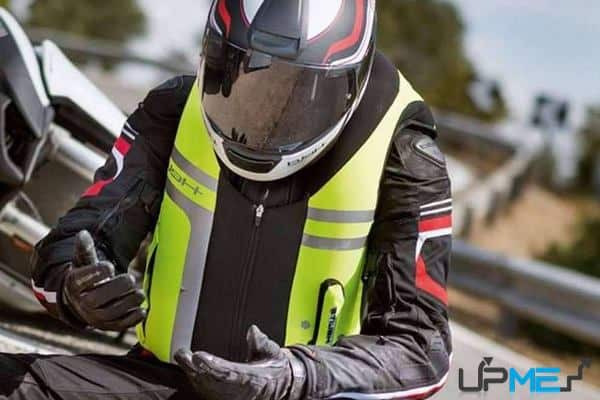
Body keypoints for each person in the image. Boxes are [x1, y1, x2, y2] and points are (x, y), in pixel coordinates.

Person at [0, 0, 453, 399]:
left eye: (298, 93)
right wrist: (75, 291)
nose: (265, 114)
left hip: (304, 395)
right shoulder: (171, 109)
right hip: (164, 379)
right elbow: (63, 251)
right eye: (243, 73)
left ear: (350, 81)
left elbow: (421, 349)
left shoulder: (406, 155)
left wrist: (299, 375)